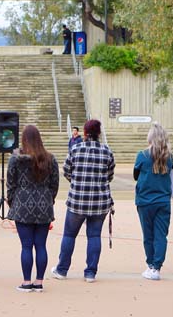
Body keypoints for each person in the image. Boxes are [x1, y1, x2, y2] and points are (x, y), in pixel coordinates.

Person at [52, 119, 115, 283]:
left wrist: (77, 180)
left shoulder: (75, 149)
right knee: (94, 236)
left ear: (85, 133)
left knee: (69, 235)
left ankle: (62, 269)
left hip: (77, 200)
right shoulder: (106, 151)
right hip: (99, 202)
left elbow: (66, 171)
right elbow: (110, 176)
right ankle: (90, 273)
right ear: (99, 133)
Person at [6, 125, 59, 293]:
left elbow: (10, 183)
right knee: (41, 245)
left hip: (22, 204)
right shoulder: (50, 159)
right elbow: (54, 184)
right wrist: (49, 199)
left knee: (26, 246)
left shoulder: (16, 159)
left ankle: (26, 281)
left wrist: (12, 202)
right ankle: (39, 281)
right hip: (44, 204)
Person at [133, 123, 173, 281]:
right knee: (161, 235)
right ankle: (157, 266)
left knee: (148, 234)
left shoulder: (142, 155)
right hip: (163, 199)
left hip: (145, 199)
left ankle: (151, 264)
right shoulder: (168, 156)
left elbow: (136, 174)